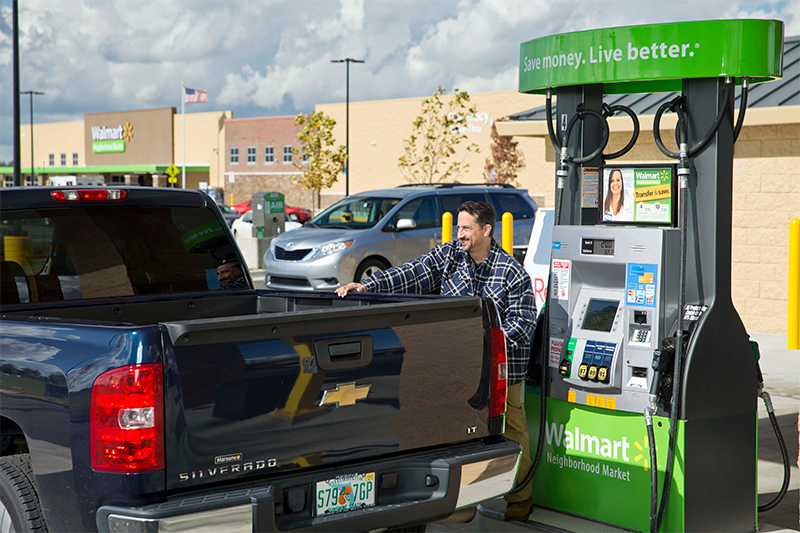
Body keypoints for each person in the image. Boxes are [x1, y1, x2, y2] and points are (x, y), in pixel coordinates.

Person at [336, 201, 536, 521]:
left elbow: (523, 325)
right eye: (458, 227)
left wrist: (485, 347)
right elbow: (412, 272)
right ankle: (456, 497)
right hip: (456, 367)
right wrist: (368, 285)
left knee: (512, 428)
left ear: (486, 230)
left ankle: (519, 497)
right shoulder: (449, 256)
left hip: (502, 370)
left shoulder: (512, 273)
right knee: (454, 429)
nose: (460, 234)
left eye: (467, 228)